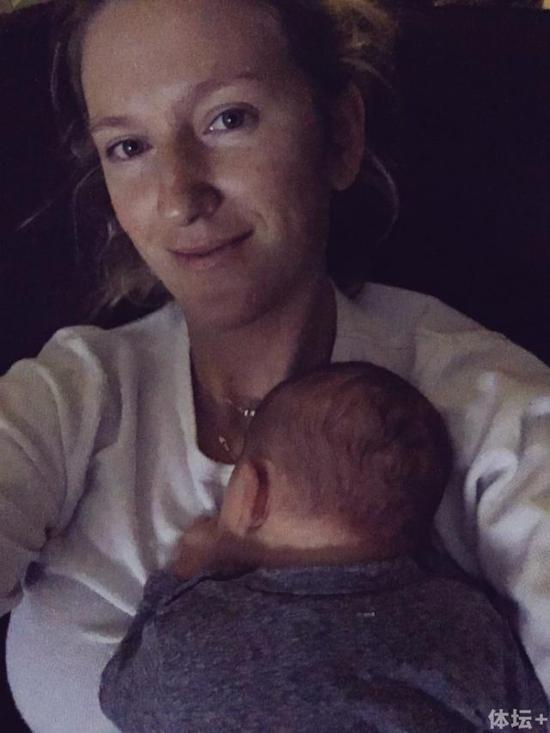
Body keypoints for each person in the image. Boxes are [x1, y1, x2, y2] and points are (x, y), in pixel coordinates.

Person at [0, 1, 549, 731]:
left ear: (340, 135)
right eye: (128, 146)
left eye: (228, 119)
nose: (180, 198)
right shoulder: (68, 399)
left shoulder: (491, 410)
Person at [98, 362, 549, 733]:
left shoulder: (193, 627)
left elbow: (120, 695)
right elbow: (529, 721)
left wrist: (179, 576)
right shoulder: (463, 621)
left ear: (252, 494)